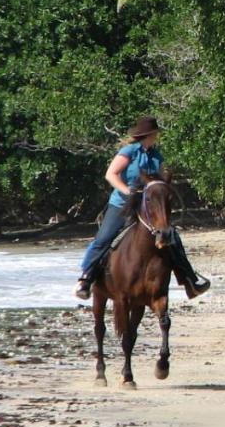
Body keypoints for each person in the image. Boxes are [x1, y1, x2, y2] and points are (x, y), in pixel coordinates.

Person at [74, 116, 211, 300]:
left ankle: (189, 280)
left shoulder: (156, 155)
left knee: (173, 238)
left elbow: (160, 179)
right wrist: (127, 191)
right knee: (104, 238)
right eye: (155, 134)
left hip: (149, 206)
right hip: (123, 203)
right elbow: (111, 174)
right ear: (149, 134)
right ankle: (86, 278)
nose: (157, 137)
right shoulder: (129, 151)